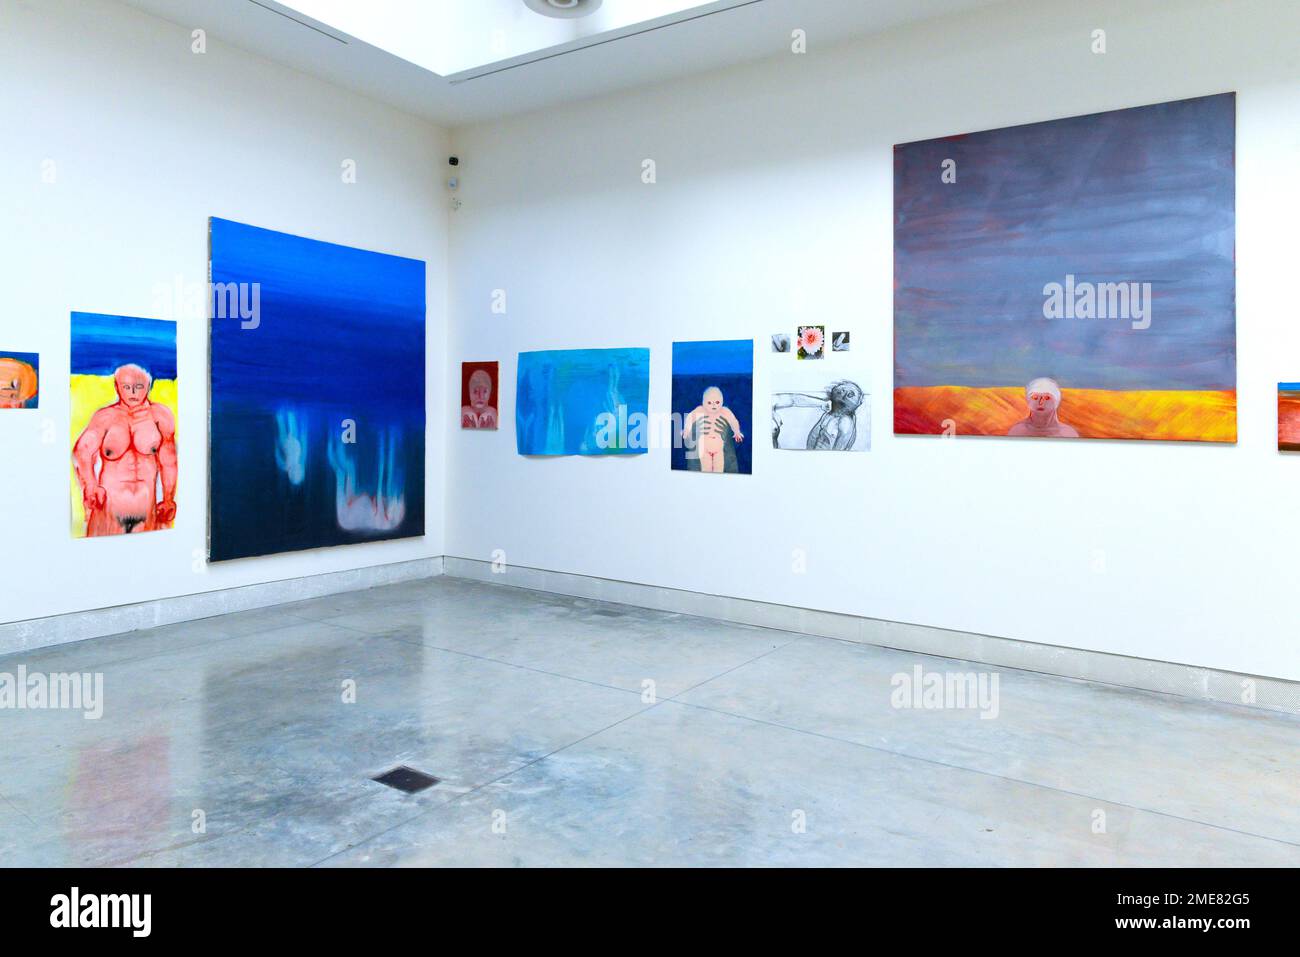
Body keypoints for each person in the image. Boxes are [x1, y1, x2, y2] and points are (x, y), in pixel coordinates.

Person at [72, 364, 177, 535]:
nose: (133, 393)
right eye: (127, 387)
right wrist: (90, 486)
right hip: (109, 508)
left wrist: (168, 498)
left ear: (148, 386)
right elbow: (82, 451)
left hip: (146, 508)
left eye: (139, 387)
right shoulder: (105, 417)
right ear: (117, 387)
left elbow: (169, 461)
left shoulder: (160, 416)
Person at [773, 380, 864, 450]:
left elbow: (840, 449)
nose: (842, 389)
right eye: (841, 389)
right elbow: (813, 437)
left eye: (849, 393)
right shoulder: (828, 415)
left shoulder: (845, 422)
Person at [683, 386, 744, 473]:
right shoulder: (700, 410)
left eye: (717, 402)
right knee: (705, 469)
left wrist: (737, 431)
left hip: (719, 448)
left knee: (719, 470)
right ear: (703, 403)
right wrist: (687, 429)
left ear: (722, 401)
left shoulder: (724, 411)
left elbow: (733, 420)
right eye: (709, 403)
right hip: (704, 447)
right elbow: (690, 417)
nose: (713, 405)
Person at [1006, 376, 1079, 437]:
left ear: (1056, 401)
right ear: (1028, 400)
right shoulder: (1017, 431)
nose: (1041, 403)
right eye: (1035, 397)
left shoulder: (1068, 433)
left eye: (1047, 398)